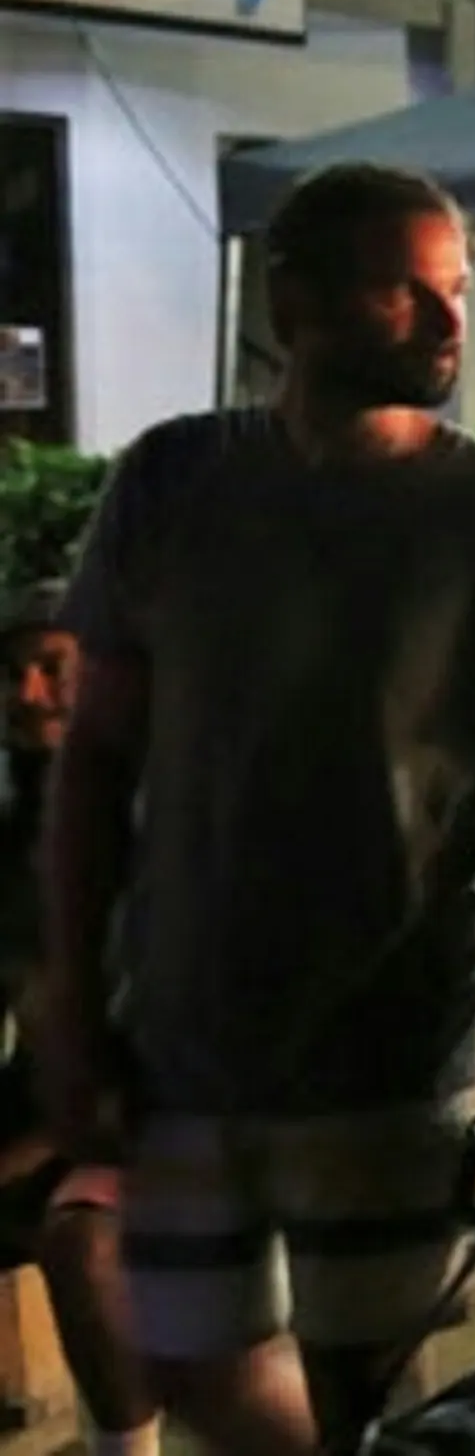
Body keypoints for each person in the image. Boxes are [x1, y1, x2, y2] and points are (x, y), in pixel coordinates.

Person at [41, 161, 475, 1456]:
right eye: (404, 292)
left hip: (395, 1047)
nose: (447, 319)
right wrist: (75, 992)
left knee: (377, 1388)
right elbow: (93, 760)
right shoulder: (172, 483)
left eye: (455, 288)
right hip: (184, 1038)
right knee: (194, 1358)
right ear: (292, 303)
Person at [0, 584, 155, 1456]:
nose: (25, 696)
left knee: (85, 1247)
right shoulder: (15, 835)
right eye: (10, 674)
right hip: (50, 1110)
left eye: (50, 669)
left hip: (159, 1121)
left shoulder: (164, 823)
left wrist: (42, 1147)